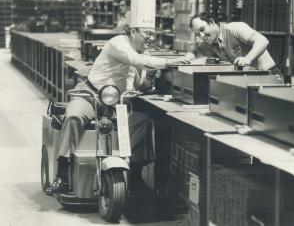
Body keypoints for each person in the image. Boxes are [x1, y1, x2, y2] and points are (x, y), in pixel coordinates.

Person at [45, 23, 190, 195]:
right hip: (91, 95)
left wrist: (150, 75)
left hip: (117, 102)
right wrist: (168, 62)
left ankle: (135, 176)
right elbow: (136, 61)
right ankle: (62, 174)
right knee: (74, 116)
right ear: (134, 31)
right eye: (147, 33)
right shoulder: (118, 43)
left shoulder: (141, 53)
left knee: (143, 123)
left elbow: (139, 83)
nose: (151, 37)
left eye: (154, 33)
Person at [186, 13, 280, 74]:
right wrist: (186, 58)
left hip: (268, 74)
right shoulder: (209, 42)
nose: (201, 36)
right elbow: (195, 51)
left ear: (212, 22)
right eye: (197, 34)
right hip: (247, 77)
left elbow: (263, 41)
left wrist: (248, 58)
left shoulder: (235, 28)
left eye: (202, 29)